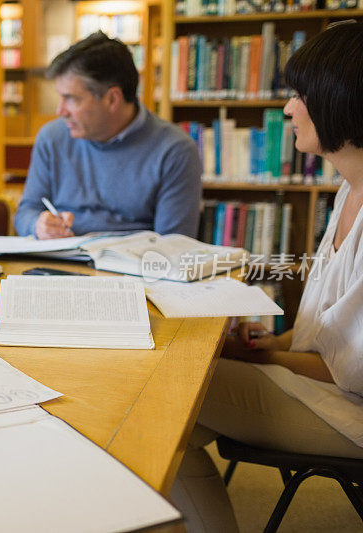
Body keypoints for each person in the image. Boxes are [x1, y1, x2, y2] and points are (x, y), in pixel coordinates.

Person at [170, 21, 363, 533]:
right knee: (172, 419)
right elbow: (336, 332)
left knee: (173, 393)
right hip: (335, 392)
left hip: (354, 413)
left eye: (300, 94)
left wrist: (267, 355)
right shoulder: (348, 191)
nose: (287, 109)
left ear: (342, 97)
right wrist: (273, 342)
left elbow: (357, 371)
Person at [14, 32, 202, 240]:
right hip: (56, 265)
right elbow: (25, 212)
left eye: (71, 99)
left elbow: (175, 244)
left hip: (133, 268)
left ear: (112, 99)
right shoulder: (52, 138)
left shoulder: (175, 150)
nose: (60, 111)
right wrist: (37, 225)